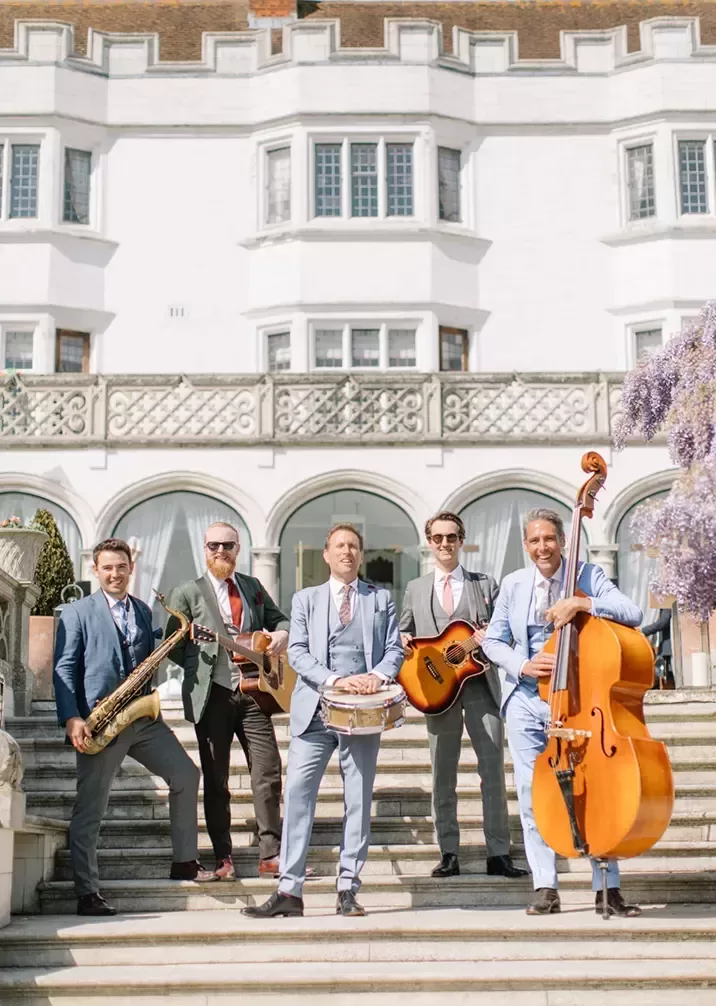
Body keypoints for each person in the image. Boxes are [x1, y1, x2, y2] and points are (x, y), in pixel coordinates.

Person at [482, 508, 643, 918]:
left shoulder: (587, 575)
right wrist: (521, 664)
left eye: (549, 539)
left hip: (579, 701)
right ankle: (545, 886)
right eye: (534, 541)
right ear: (526, 545)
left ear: (563, 541)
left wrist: (582, 602)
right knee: (532, 794)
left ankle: (607, 888)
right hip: (525, 699)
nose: (542, 548)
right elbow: (493, 641)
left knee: (594, 789)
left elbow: (633, 613)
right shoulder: (515, 585)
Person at [243, 522, 404, 918]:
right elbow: (296, 651)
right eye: (339, 546)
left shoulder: (381, 598)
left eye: (353, 546)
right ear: (326, 555)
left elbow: (395, 648)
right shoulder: (305, 599)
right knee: (297, 795)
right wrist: (334, 680)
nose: (346, 552)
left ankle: (348, 887)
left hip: (363, 713)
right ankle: (290, 890)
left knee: (358, 799)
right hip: (314, 711)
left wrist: (377, 676)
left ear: (361, 555)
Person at [53, 538, 210, 917]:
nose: (115, 574)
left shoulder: (142, 611)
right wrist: (73, 717)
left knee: (186, 774)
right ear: (95, 570)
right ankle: (87, 892)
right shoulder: (76, 613)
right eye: (107, 567)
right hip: (101, 721)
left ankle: (185, 862)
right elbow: (63, 668)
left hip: (141, 716)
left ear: (131, 568)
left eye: (121, 567)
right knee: (91, 808)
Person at [399, 511, 525, 881]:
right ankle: (448, 852)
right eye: (437, 538)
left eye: (451, 537)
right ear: (429, 542)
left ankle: (498, 852)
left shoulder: (485, 584)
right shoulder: (415, 589)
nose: (444, 544)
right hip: (436, 693)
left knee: (493, 772)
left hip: (479, 688)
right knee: (442, 774)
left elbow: (508, 628)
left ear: (461, 540)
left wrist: (493, 637)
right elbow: (404, 633)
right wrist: (403, 639)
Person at [166, 521, 290, 880]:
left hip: (255, 693)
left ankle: (271, 855)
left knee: (267, 772)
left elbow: (279, 618)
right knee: (216, 779)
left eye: (228, 545)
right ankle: (224, 857)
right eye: (214, 545)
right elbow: (171, 644)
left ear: (238, 549)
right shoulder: (186, 592)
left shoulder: (251, 587)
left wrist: (280, 634)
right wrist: (200, 666)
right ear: (204, 550)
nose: (221, 551)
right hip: (212, 694)